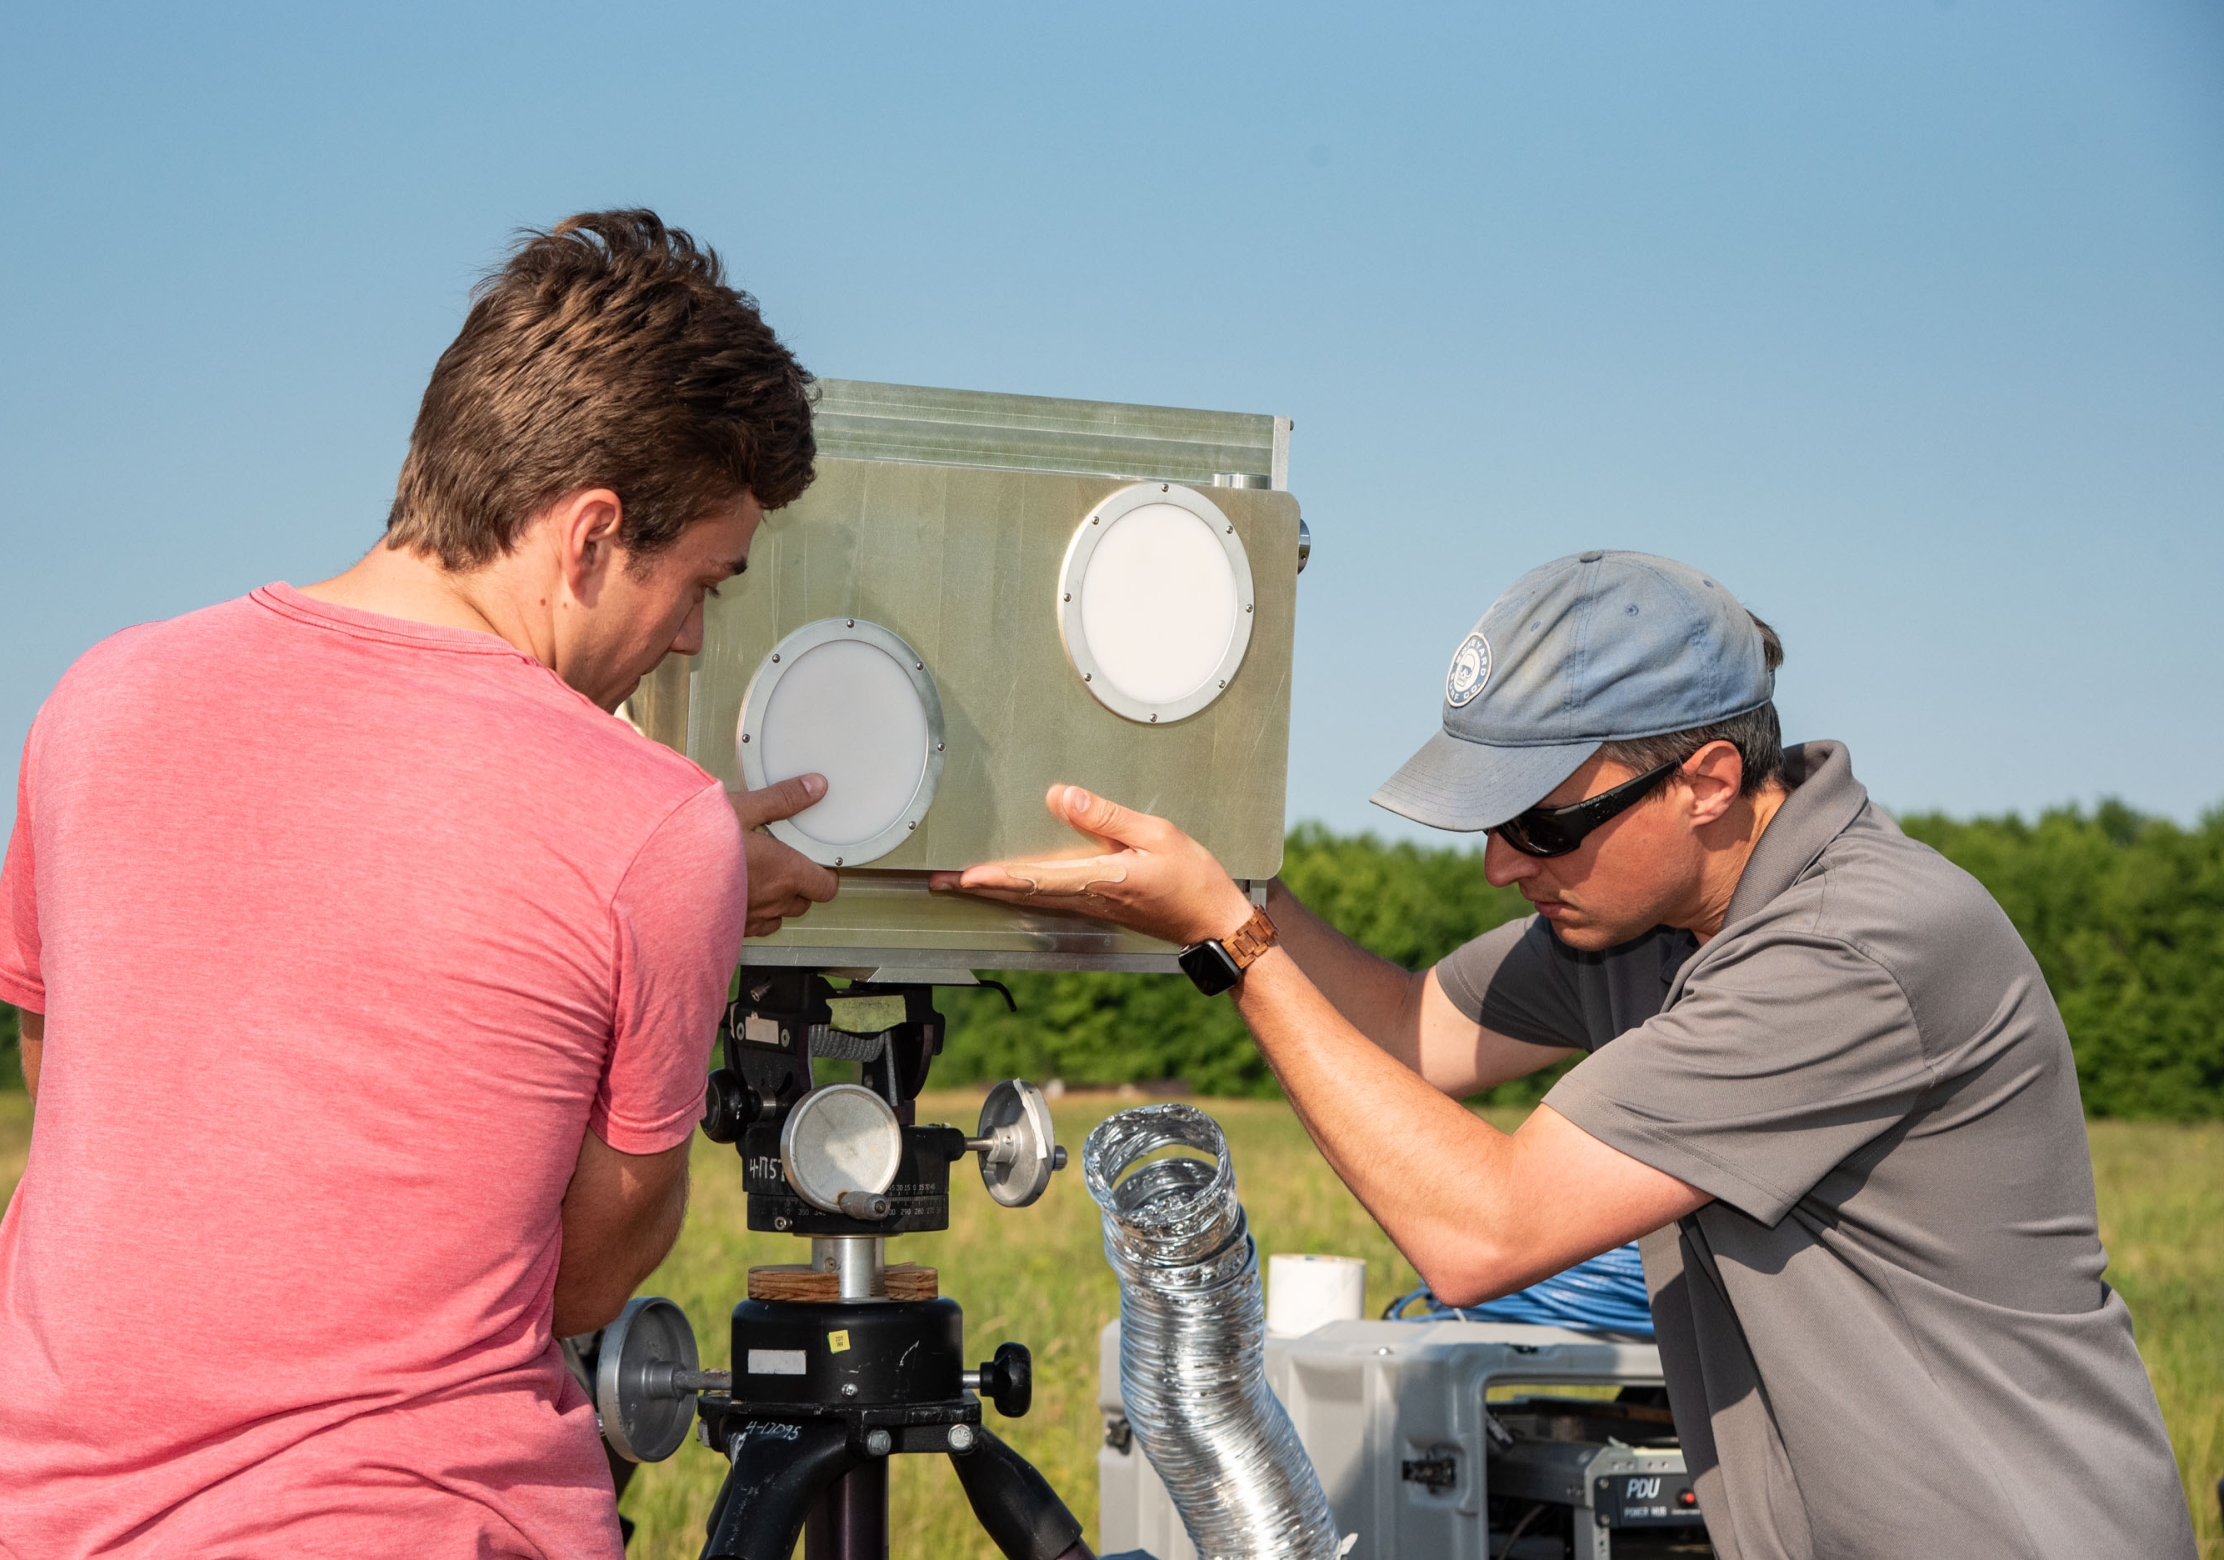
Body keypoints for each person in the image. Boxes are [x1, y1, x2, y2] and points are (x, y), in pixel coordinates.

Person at [940, 549, 2196, 1559]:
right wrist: (1209, 868)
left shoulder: (1848, 946)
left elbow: (1482, 1234)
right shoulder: (1652, 922)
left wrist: (1227, 938)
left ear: (1706, 778)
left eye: (1541, 820)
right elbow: (1412, 1029)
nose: (1501, 864)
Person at [0, 210, 840, 1558]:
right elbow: (590, 1268)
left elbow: (67, 1079)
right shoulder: (657, 828)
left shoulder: (101, 700)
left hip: (20, 1522)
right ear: (588, 537)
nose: (693, 635)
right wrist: (689, 883)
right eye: (702, 581)